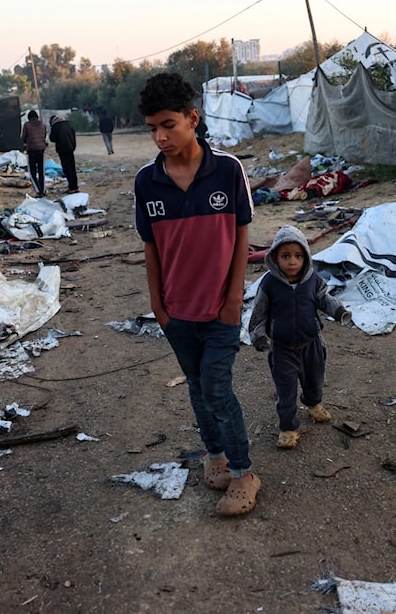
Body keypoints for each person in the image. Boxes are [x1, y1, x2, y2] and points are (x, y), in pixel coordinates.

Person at [134, 72, 260, 517]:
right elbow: (151, 247)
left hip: (220, 309)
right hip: (176, 312)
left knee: (217, 388)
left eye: (168, 125)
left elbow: (242, 237)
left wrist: (232, 300)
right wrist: (158, 305)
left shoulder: (227, 170)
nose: (160, 137)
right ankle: (216, 457)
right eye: (152, 128)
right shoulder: (147, 182)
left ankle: (244, 473)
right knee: (196, 386)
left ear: (193, 118)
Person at [248, 225, 352, 449]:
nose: (292, 262)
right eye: (286, 256)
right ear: (275, 257)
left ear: (306, 257)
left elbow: (325, 299)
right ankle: (287, 427)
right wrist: (258, 335)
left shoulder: (313, 281)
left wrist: (339, 311)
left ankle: (313, 404)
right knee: (285, 391)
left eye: (298, 256)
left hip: (311, 345)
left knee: (314, 381)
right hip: (282, 349)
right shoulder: (269, 284)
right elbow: (258, 313)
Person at [21, 110, 48, 197]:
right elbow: (44, 136)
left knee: (32, 172)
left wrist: (25, 144)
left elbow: (23, 138)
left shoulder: (27, 125)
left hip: (31, 150)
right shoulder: (43, 125)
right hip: (41, 150)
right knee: (41, 170)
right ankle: (43, 189)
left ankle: (38, 190)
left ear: (29, 117)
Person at [48, 115, 78, 193]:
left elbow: (52, 138)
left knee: (66, 169)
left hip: (62, 150)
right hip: (71, 148)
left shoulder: (56, 126)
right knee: (72, 168)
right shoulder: (69, 124)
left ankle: (71, 187)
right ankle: (75, 186)